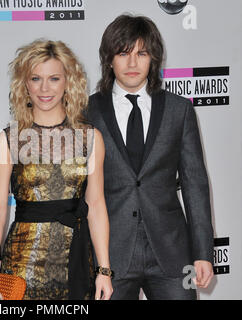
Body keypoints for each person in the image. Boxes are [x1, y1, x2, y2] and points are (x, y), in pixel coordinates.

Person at [87, 14, 214, 300]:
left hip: (172, 254)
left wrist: (203, 252)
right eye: (123, 53)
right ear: (109, 59)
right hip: (109, 256)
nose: (132, 63)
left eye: (141, 53)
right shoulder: (87, 112)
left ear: (153, 58)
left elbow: (195, 185)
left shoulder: (178, 110)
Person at [0, 40, 113, 300]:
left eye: (54, 78)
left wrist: (104, 270)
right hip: (22, 268)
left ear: (68, 82)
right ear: (24, 84)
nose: (44, 88)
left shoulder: (91, 138)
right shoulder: (6, 141)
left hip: (75, 265)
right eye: (35, 78)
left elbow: (95, 205)